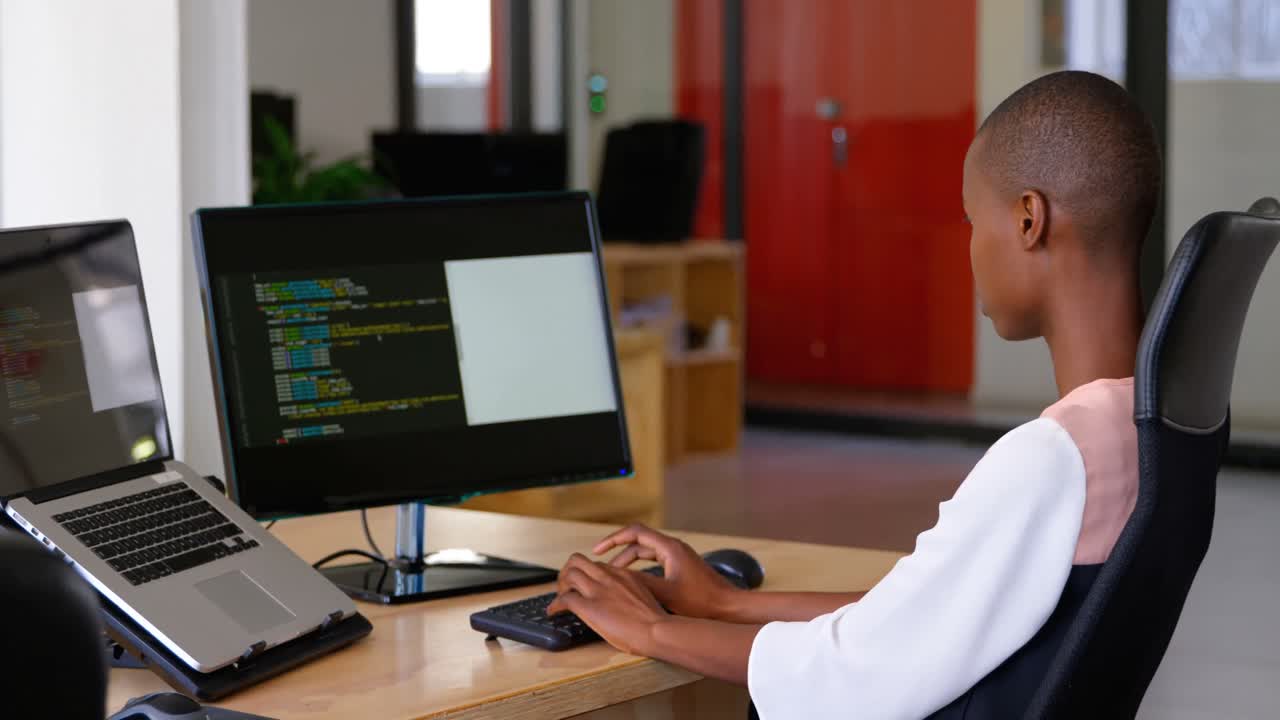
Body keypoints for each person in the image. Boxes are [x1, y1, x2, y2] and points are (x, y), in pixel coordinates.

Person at [545, 70, 1162, 719]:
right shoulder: (1137, 433)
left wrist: (649, 629)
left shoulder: (1050, 459)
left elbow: (854, 674)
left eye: (971, 219)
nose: (970, 247)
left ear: (1030, 220)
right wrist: (725, 602)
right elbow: (917, 617)